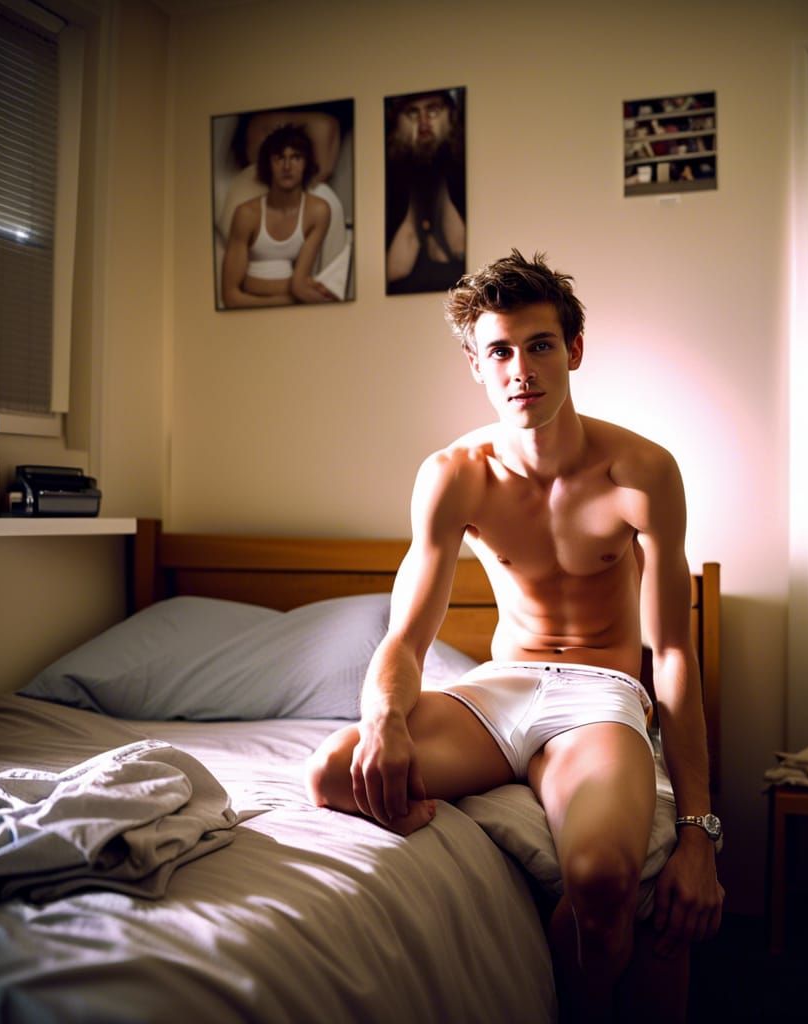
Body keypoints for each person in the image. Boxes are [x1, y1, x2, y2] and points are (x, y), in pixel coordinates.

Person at [304, 250, 723, 1019]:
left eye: (539, 346)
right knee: (336, 774)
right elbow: (405, 637)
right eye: (499, 350)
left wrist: (699, 829)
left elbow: (671, 656)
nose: (520, 370)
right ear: (476, 363)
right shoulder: (454, 474)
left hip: (599, 699)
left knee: (600, 877)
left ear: (574, 351)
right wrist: (385, 721)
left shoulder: (641, 472)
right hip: (497, 692)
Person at [221, 124, 337, 308]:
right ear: (268, 164)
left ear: (306, 163)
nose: (287, 166)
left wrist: (255, 283)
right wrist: (284, 299)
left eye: (296, 157)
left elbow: (299, 285)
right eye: (279, 158)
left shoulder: (318, 211)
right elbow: (231, 296)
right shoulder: (247, 214)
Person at [385, 89, 466, 294]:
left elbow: (459, 248)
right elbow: (394, 270)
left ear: (450, 114)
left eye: (433, 111)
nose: (423, 123)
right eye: (412, 113)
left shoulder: (465, 170)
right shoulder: (388, 180)